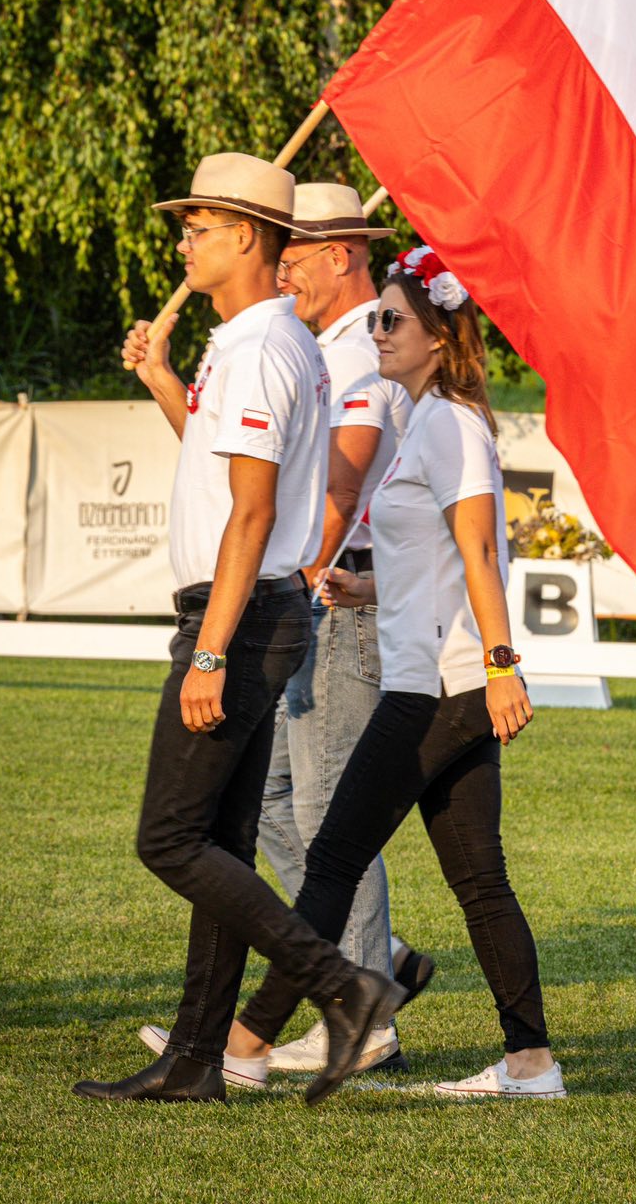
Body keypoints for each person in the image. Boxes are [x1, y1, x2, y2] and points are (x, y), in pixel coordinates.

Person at [72, 152, 403, 1108]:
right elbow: (226, 477)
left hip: (242, 616)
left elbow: (253, 515)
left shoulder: (263, 347)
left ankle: (345, 988)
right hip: (258, 611)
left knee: (170, 840)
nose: (184, 243)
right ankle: (195, 1060)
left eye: (199, 227)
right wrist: (163, 379)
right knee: (219, 838)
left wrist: (210, 649)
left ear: (248, 235)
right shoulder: (263, 341)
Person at [231, 241, 566, 1098]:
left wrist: (503, 666)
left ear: (439, 338)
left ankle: (245, 1043)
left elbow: (481, 554)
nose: (377, 331)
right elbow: (441, 564)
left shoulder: (449, 423)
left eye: (393, 320)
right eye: (377, 318)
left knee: (333, 859)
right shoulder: (427, 421)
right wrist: (368, 586)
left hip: (435, 689)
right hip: (442, 681)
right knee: (480, 882)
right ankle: (531, 1062)